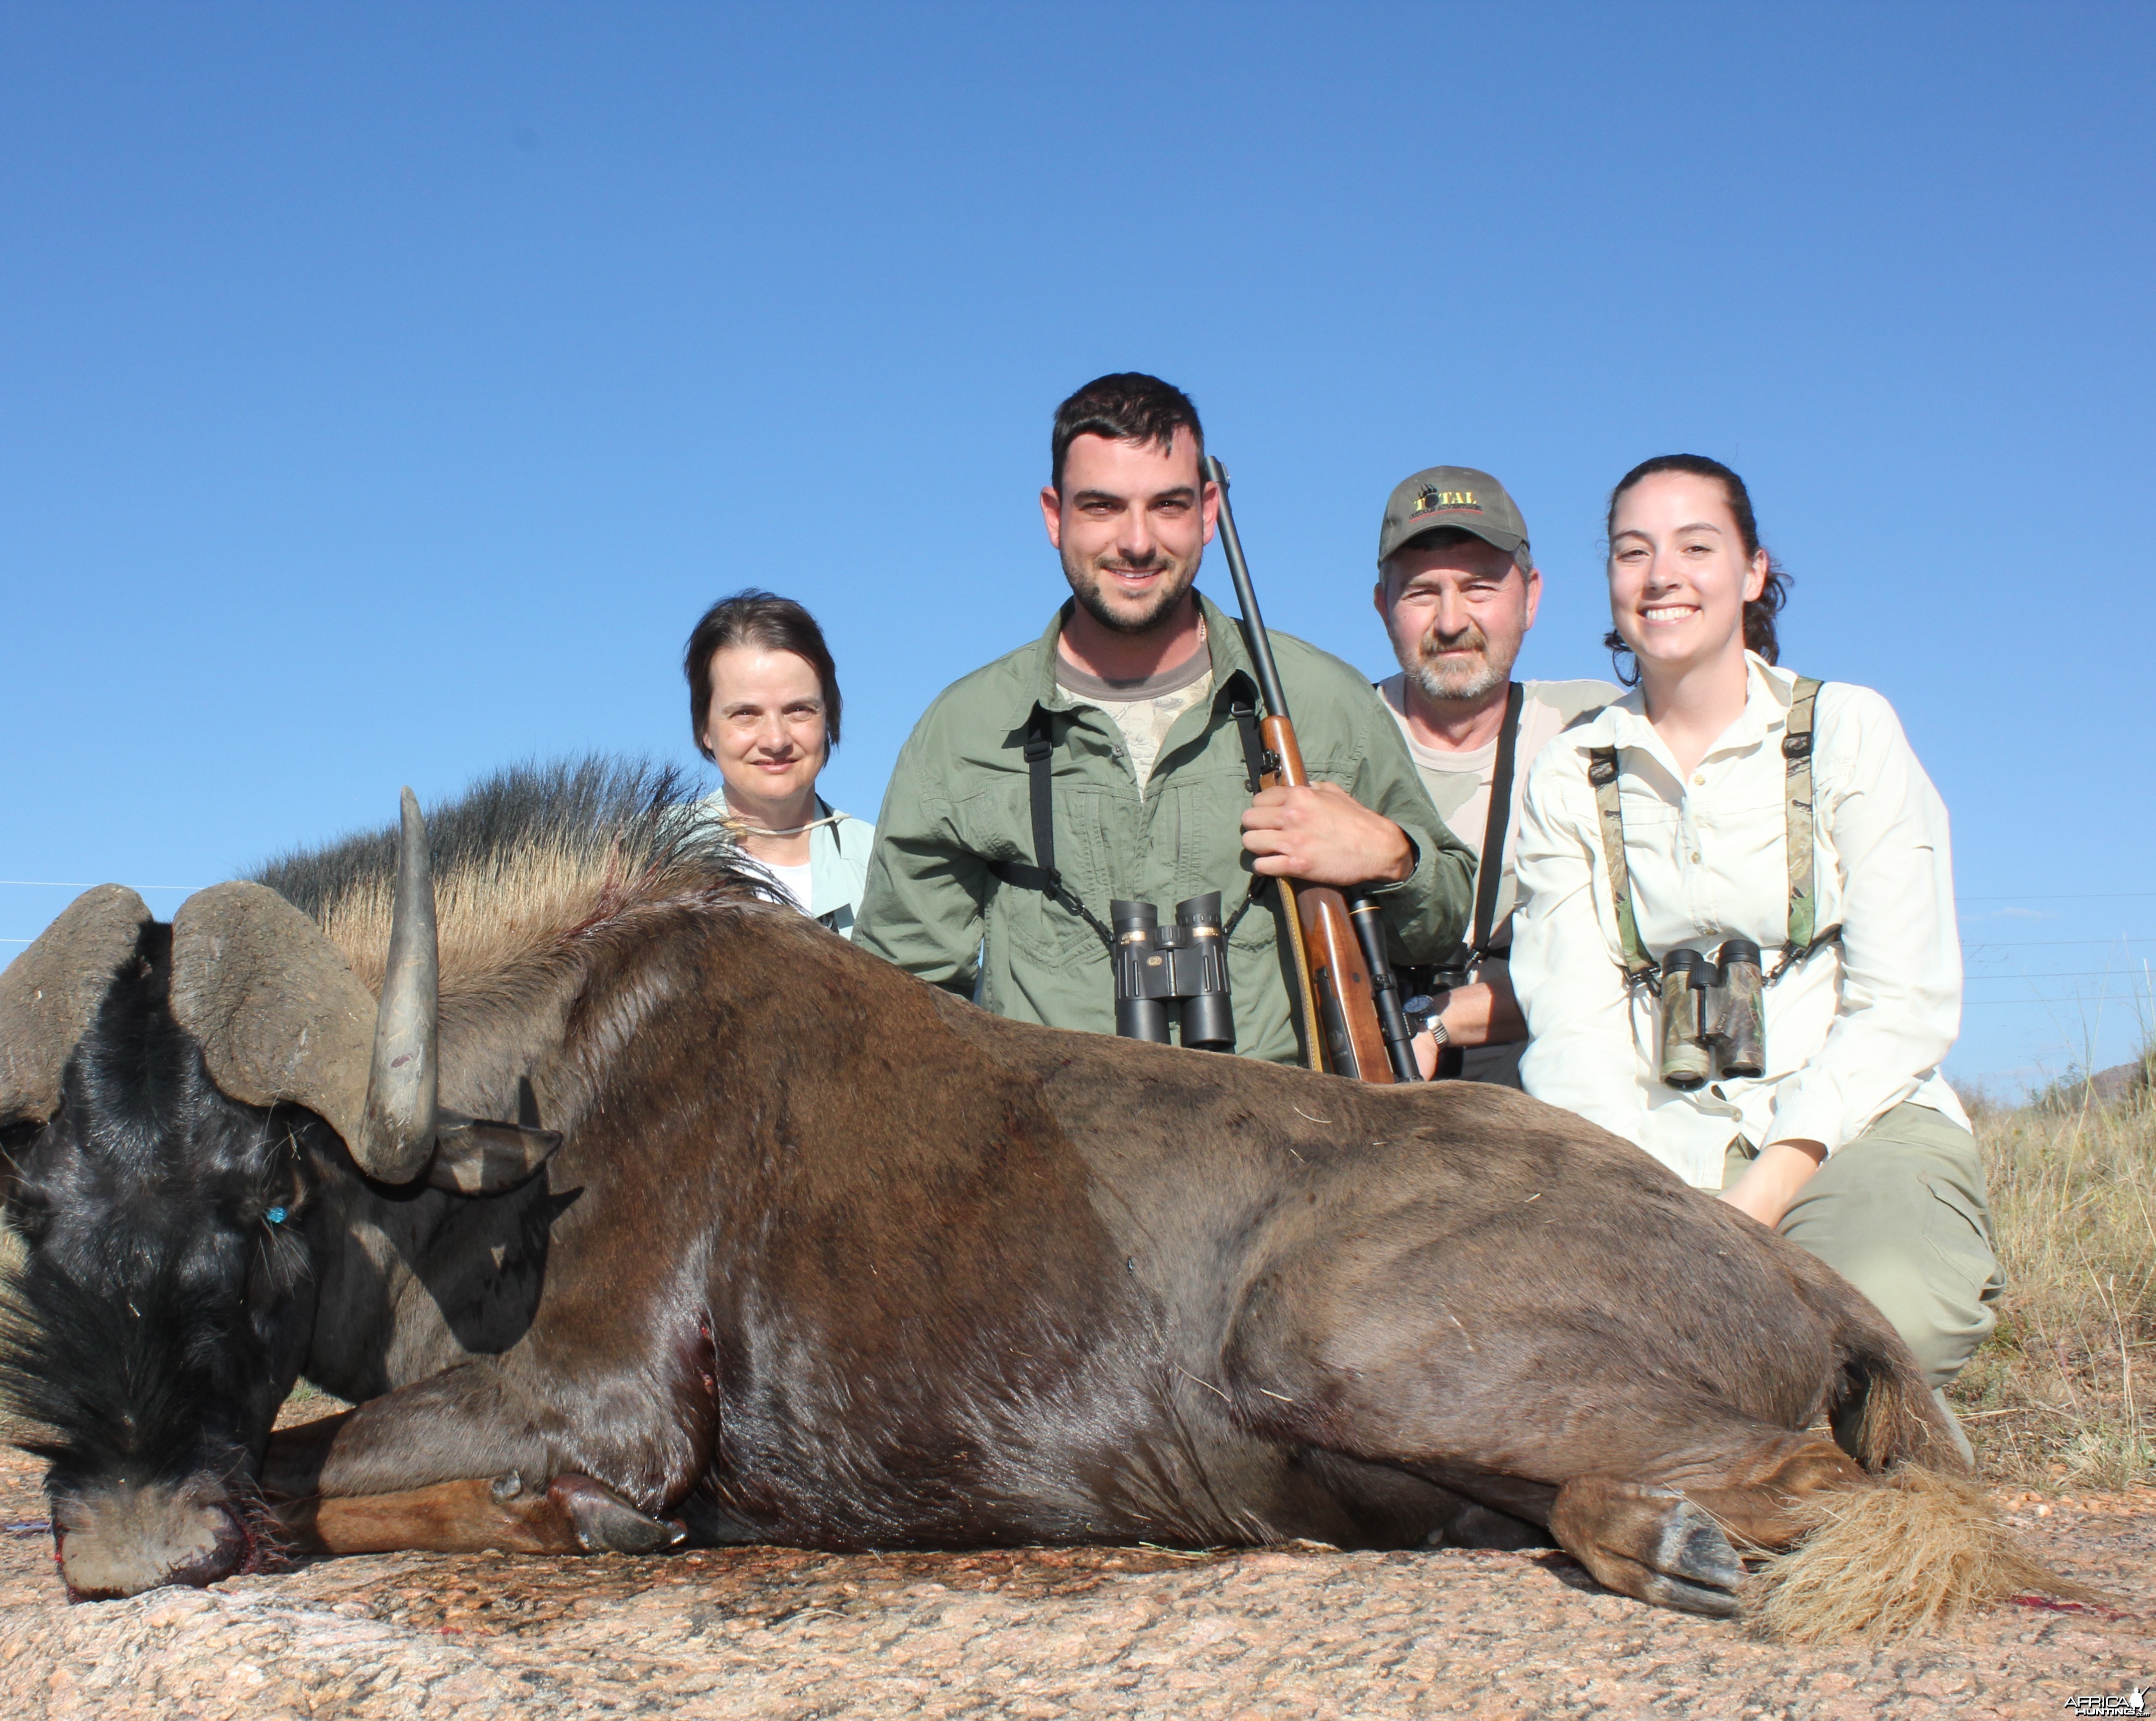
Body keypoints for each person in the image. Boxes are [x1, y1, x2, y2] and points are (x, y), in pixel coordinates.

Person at [1511, 453, 2002, 1410]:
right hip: (1651, 1152)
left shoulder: (1849, 728)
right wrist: (1648, 1206)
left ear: (1749, 572)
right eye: (1630, 551)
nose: (1660, 575)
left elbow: (1902, 1004)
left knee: (1886, 1314)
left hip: (1844, 1130)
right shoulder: (1569, 771)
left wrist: (1764, 1194)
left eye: (1695, 546)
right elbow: (1569, 1031)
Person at [856, 372, 1474, 1064]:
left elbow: (1445, 920)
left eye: (1168, 506)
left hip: (1290, 1154)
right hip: (1054, 1157)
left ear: (1209, 512)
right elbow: (894, 996)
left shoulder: (1321, 699)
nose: (1138, 542)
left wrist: (1393, 858)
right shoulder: (962, 730)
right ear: (1054, 515)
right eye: (1103, 507)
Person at [1369, 466, 1618, 1086]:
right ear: (1382, 607)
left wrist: (1435, 1022)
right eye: (1422, 593)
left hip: (1547, 1070)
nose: (1451, 621)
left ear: (1531, 597)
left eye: (1480, 588)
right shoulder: (1330, 732)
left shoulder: (1599, 728)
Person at [686, 590, 873, 938]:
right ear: (704, 729)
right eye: (745, 714)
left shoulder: (887, 866)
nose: (776, 740)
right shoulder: (644, 860)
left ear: (829, 717)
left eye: (799, 710)